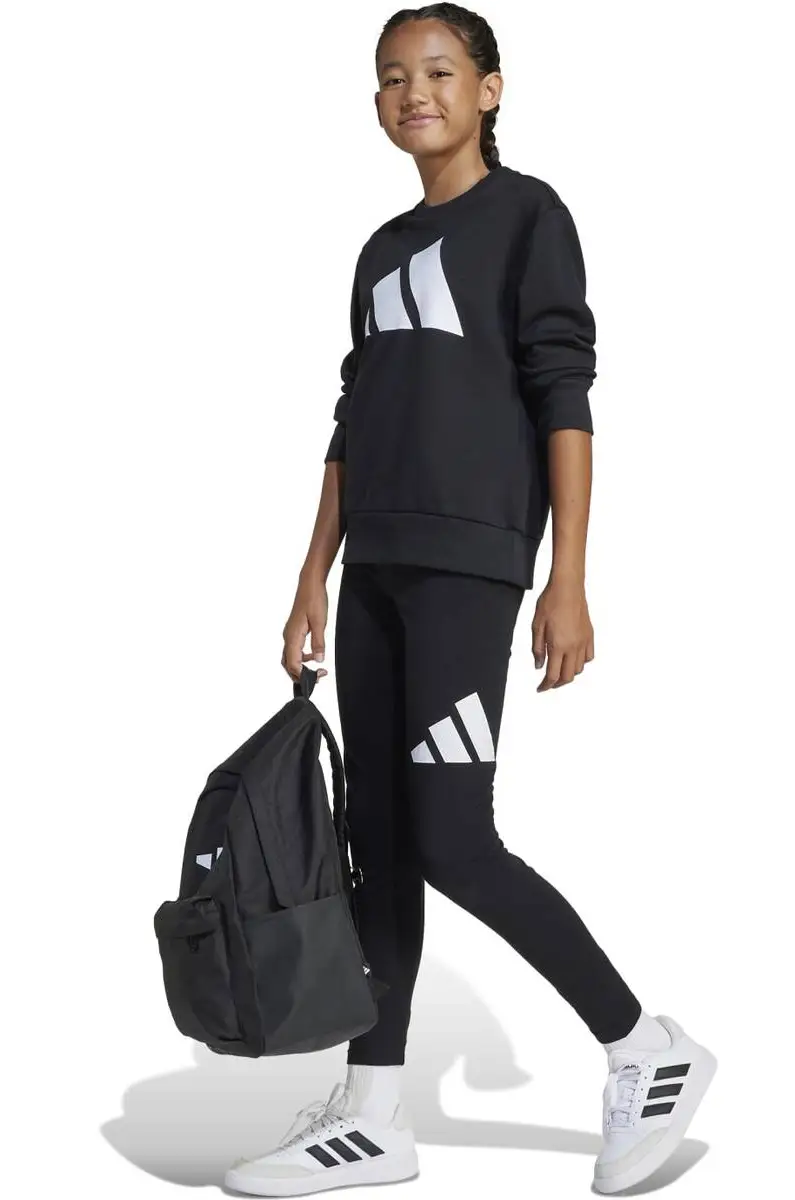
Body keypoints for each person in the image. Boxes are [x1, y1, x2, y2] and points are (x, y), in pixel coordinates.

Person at [225, 5, 716, 1195]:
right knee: (379, 847)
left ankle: (643, 1046)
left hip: (469, 569)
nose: (415, 93)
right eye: (393, 77)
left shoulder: (529, 217)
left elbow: (565, 393)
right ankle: (375, 1113)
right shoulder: (379, 250)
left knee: (453, 838)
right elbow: (352, 419)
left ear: (490, 89)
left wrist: (569, 576)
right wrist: (311, 572)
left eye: (440, 71)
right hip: (374, 575)